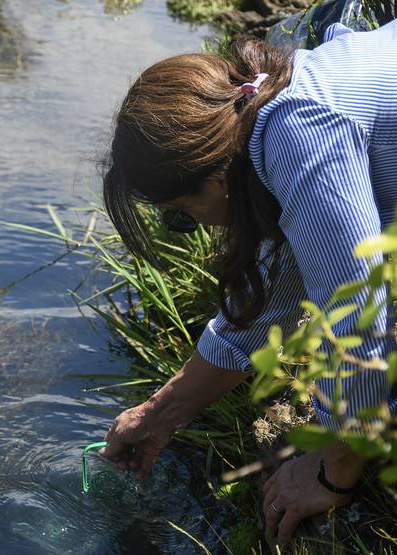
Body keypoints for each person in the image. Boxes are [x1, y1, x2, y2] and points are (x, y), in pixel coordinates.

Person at [99, 18, 397, 545]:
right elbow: (268, 297)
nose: (193, 227)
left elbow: (357, 316)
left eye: (181, 216)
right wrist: (160, 412)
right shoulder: (264, 123)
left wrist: (332, 467)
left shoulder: (302, 134)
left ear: (213, 176)